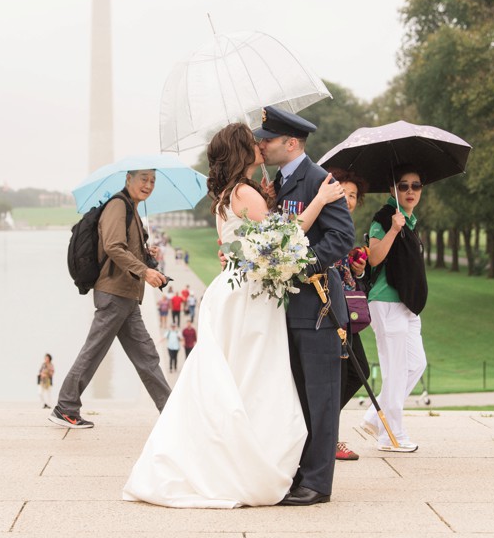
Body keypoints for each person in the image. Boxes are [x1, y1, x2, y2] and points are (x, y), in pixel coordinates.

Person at [123, 121, 345, 508]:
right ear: (243, 152)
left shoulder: (233, 193)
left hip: (233, 289)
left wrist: (270, 202)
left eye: (264, 140)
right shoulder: (246, 193)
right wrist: (318, 202)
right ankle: (249, 464)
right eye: (253, 142)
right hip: (249, 297)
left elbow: (254, 241)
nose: (261, 145)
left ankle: (242, 459)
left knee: (238, 380)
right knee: (254, 379)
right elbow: (286, 239)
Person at [253, 107, 354, 504]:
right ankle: (300, 473)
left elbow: (342, 237)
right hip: (290, 312)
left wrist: (300, 263)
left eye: (268, 139)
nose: (261, 144)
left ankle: (317, 483)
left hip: (317, 310)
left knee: (322, 398)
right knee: (298, 397)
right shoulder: (278, 182)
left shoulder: (318, 180)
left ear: (290, 143)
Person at [49, 168, 171, 429]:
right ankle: (65, 407)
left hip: (126, 295)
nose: (148, 185)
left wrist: (147, 254)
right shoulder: (118, 205)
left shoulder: (132, 208)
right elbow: (113, 247)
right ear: (128, 179)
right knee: (94, 351)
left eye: (152, 181)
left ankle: (171, 412)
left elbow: (124, 247)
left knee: (147, 356)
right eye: (143, 179)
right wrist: (145, 270)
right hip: (114, 294)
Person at [360, 165, 428, 453]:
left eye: (416, 186)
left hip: (406, 305)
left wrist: (403, 225)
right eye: (403, 186)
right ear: (392, 189)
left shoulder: (409, 220)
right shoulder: (384, 218)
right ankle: (391, 436)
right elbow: (374, 258)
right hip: (386, 302)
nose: (410, 191)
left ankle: (376, 416)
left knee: (416, 364)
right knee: (396, 370)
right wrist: (393, 229)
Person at [325, 168, 371, 462]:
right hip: (331, 311)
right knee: (345, 375)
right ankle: (327, 435)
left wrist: (358, 268)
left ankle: (323, 429)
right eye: (343, 192)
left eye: (353, 195)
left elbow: (349, 274)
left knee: (358, 372)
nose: (348, 199)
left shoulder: (346, 225)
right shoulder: (328, 223)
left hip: (347, 312)